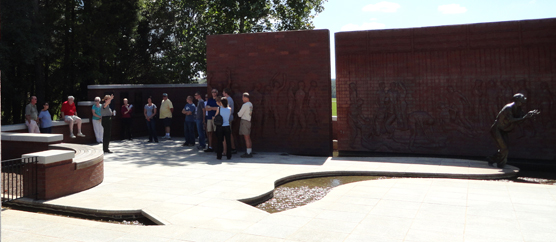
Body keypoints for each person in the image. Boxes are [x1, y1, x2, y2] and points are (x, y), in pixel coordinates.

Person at [488, 93, 539, 168]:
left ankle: (492, 159)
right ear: (517, 100)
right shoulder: (508, 108)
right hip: (497, 129)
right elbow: (511, 120)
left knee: (504, 149)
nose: (523, 101)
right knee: (504, 148)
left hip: (504, 130)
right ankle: (501, 165)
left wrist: (528, 116)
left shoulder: (518, 109)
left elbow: (519, 120)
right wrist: (525, 117)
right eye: (522, 99)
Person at [238, 92, 253, 158]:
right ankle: (249, 150)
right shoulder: (250, 104)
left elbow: (239, 114)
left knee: (246, 137)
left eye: (243, 97)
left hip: (245, 121)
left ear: (245, 97)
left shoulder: (245, 105)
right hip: (249, 120)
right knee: (248, 137)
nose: (242, 98)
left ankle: (248, 152)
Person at [223, 88, 237, 154]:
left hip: (228, 118)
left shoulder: (228, 99)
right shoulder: (230, 99)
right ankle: (232, 147)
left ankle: (231, 148)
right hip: (229, 117)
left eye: (223, 92)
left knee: (228, 133)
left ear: (226, 93)